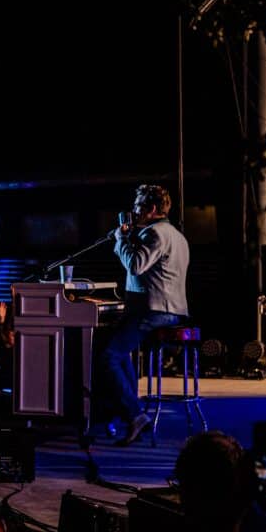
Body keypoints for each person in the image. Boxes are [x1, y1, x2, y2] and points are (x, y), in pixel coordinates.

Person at [101, 184, 190, 446]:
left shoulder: (155, 233)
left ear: (151, 209)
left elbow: (135, 265)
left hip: (155, 310)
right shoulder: (177, 236)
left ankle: (134, 415)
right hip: (170, 310)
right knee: (120, 352)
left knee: (107, 357)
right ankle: (132, 412)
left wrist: (121, 239)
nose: (134, 211)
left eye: (138, 206)